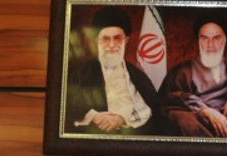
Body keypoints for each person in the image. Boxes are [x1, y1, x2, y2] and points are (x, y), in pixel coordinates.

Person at [64, 7, 163, 135]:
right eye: (105, 39)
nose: (111, 45)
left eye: (117, 38)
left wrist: (122, 118)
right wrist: (93, 116)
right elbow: (66, 107)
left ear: (126, 41)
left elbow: (153, 112)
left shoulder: (138, 77)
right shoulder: (79, 74)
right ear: (97, 41)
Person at [160, 11, 227, 138]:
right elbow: (169, 98)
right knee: (180, 119)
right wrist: (205, 111)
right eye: (204, 38)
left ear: (225, 40)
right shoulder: (181, 71)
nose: (210, 45)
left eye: (216, 38)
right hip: (199, 121)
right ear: (198, 40)